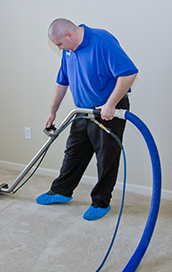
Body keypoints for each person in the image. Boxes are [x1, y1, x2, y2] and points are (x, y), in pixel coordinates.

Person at [36, 18, 138, 221]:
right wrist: (52, 111)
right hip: (82, 111)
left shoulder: (102, 40)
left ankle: (101, 202)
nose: (59, 48)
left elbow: (129, 73)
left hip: (108, 110)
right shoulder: (69, 51)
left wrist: (110, 104)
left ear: (69, 35)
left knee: (106, 158)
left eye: (59, 44)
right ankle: (62, 191)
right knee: (74, 152)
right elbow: (62, 81)